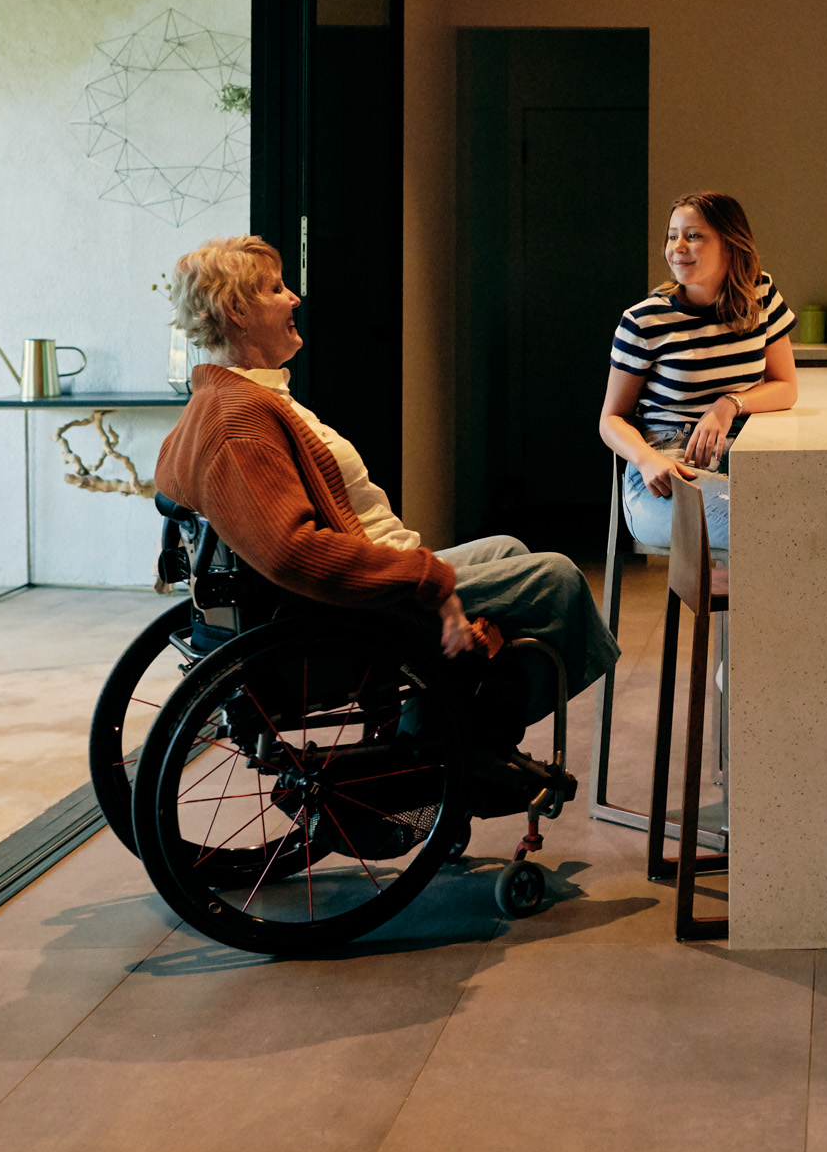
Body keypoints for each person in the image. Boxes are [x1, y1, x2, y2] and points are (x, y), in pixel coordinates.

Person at [151, 234, 617, 803]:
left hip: (359, 581)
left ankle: (444, 725)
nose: (295, 298)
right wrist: (431, 585)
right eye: (275, 290)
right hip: (352, 609)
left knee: (507, 550)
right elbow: (292, 553)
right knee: (558, 581)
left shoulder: (234, 398)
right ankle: (456, 755)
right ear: (237, 313)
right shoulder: (240, 416)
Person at [599, 192, 799, 554]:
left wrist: (729, 404)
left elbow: (786, 387)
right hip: (664, 471)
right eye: (673, 235)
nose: (678, 246)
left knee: (809, 513)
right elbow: (611, 419)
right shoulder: (644, 320)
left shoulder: (760, 294)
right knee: (764, 523)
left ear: (730, 243)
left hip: (743, 455)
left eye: (693, 235)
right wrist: (647, 460)